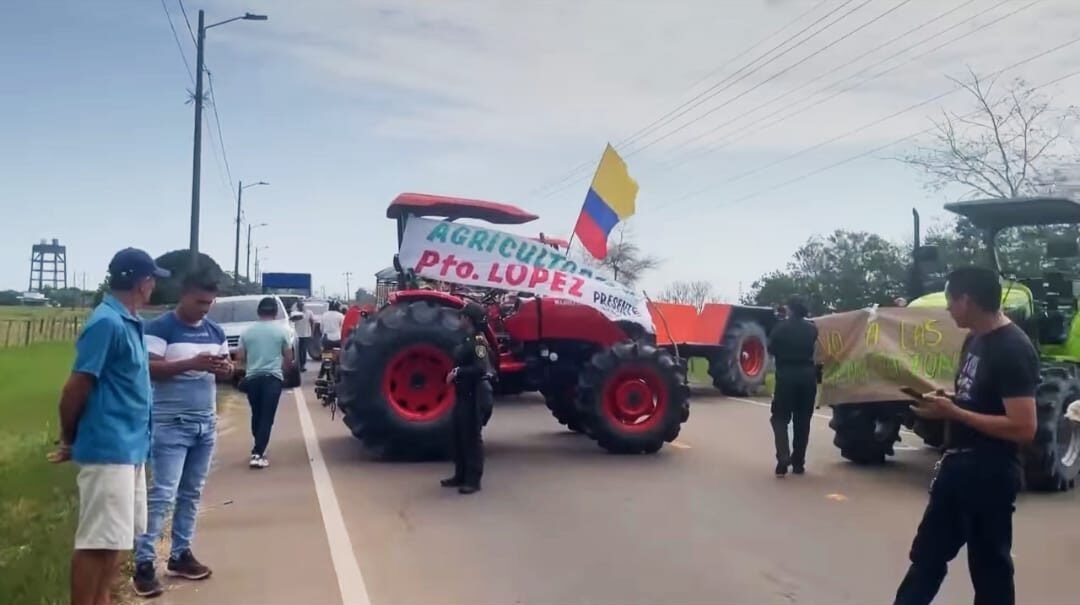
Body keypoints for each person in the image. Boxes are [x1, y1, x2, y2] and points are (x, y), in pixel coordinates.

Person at [893, 267, 1038, 605]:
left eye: (949, 301)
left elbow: (1024, 427)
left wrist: (955, 412)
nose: (947, 308)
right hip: (956, 470)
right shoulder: (975, 339)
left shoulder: (1014, 349)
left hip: (990, 476)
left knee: (990, 574)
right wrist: (943, 402)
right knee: (926, 558)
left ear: (967, 300)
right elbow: (973, 396)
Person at [46, 248, 169, 605]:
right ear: (141, 282)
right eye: (151, 280)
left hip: (131, 447)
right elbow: (74, 389)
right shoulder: (106, 323)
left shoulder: (130, 321)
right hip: (108, 445)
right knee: (96, 542)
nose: (153, 287)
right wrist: (70, 437)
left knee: (116, 540)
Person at [132, 272, 232, 597]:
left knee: (193, 492)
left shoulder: (214, 330)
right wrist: (194, 362)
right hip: (170, 422)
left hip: (205, 421)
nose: (205, 308)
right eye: (199, 302)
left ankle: (180, 553)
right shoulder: (161, 328)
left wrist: (225, 368)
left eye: (209, 303)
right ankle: (144, 563)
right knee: (163, 493)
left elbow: (226, 365)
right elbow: (149, 367)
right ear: (184, 295)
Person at [236, 296, 295, 469]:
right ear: (276, 313)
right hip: (272, 378)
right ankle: (258, 452)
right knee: (267, 417)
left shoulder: (247, 332)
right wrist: (284, 371)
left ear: (258, 312)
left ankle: (258, 447)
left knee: (257, 413)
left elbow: (240, 357)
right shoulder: (282, 331)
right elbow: (288, 357)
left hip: (252, 377)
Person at [440, 303, 493, 495]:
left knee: (471, 437)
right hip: (463, 394)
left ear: (469, 319)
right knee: (458, 435)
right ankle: (460, 474)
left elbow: (481, 368)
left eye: (462, 316)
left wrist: (457, 372)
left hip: (475, 395)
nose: (459, 319)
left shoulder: (478, 342)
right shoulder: (466, 339)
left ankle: (473, 480)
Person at [767, 296, 819, 477]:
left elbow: (771, 349)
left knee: (780, 418)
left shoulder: (780, 329)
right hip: (807, 376)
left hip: (786, 375)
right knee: (803, 421)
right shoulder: (812, 329)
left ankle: (783, 457)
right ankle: (798, 463)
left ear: (789, 309)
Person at [292, 300, 314, 371]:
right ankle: (298, 365)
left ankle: (302, 365)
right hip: (296, 335)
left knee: (303, 350)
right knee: (297, 351)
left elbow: (312, 322)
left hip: (306, 334)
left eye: (302, 305)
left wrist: (312, 332)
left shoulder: (309, 313)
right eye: (299, 305)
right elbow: (291, 323)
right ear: (297, 306)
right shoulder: (294, 313)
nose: (301, 306)